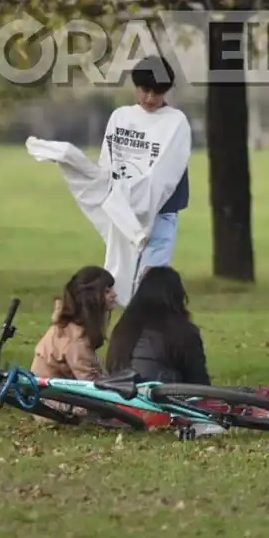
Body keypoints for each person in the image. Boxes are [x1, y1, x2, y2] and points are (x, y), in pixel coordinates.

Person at [101, 55, 192, 281]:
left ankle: (146, 315)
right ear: (136, 87)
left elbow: (168, 170)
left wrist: (145, 198)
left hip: (162, 209)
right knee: (118, 274)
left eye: (157, 92)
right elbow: (108, 160)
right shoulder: (121, 117)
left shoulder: (175, 121)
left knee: (150, 278)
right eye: (144, 90)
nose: (150, 98)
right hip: (125, 209)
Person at [104, 266, 210, 384]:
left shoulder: (123, 329)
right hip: (162, 398)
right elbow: (199, 382)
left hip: (120, 397)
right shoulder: (183, 332)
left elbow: (113, 367)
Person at [32, 266, 117, 381]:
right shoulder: (76, 340)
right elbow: (91, 385)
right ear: (91, 299)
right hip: (51, 397)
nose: (114, 294)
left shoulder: (68, 327)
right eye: (107, 292)